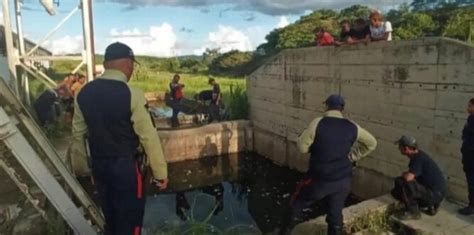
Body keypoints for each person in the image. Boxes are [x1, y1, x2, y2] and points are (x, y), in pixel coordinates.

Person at [72, 42, 168, 235]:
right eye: (132, 65)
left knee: (112, 218)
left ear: (106, 64)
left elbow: (78, 135)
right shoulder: (132, 94)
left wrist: (84, 169)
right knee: (131, 222)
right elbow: (148, 137)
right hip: (127, 169)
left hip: (100, 166)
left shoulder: (83, 93)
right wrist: (161, 173)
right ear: (127, 64)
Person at [281, 94, 377, 235]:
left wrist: (313, 148)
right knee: (335, 214)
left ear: (326, 106)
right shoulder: (352, 126)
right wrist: (353, 156)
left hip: (319, 179)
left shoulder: (318, 122)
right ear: (342, 109)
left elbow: (302, 147)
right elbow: (372, 143)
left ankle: (284, 231)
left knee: (297, 203)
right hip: (343, 181)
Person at [391, 136, 447, 220]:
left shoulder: (417, 159)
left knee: (402, 183)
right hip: (438, 194)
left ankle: (414, 212)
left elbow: (409, 178)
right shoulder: (420, 155)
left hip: (433, 195)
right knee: (402, 186)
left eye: (400, 147)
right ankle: (432, 206)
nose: (399, 149)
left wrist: (404, 175)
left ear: (406, 148)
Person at [459, 99, 474, 215]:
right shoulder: (470, 119)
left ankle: (472, 206)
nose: (467, 108)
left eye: (470, 106)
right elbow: (464, 134)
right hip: (468, 155)